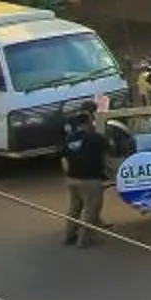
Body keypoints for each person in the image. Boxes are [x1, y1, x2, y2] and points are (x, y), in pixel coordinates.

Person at [59, 98, 122, 248]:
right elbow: (112, 150)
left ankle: (69, 235)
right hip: (90, 180)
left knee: (74, 208)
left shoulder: (69, 139)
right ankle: (83, 240)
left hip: (72, 179)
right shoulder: (96, 138)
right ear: (89, 122)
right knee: (91, 209)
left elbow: (64, 159)